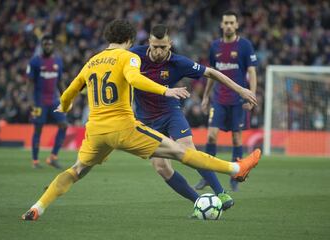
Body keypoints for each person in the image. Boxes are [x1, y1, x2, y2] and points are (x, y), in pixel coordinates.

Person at [21, 19, 261, 221]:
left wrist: (63, 106)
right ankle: (236, 168)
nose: (157, 51)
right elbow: (135, 80)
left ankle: (37, 207)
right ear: (132, 41)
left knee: (76, 170)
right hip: (125, 126)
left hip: (95, 131)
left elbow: (69, 92)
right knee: (179, 153)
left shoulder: (92, 61)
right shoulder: (129, 57)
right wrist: (166, 90)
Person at [130, 24, 249, 210]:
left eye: (163, 47)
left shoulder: (178, 63)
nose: (159, 51)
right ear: (149, 43)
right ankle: (199, 201)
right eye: (155, 47)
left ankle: (221, 193)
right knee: (161, 167)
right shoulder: (134, 56)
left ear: (170, 44)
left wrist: (240, 89)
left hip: (170, 112)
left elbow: (211, 72)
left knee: (189, 150)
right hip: (146, 120)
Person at [194, 11, 258, 191]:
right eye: (226, 23)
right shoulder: (215, 46)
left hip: (238, 101)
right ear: (221, 25)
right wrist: (206, 96)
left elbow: (252, 72)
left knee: (237, 139)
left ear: (237, 25)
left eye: (232, 23)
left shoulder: (245, 45)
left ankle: (236, 176)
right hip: (219, 99)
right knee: (211, 135)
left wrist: (251, 95)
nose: (229, 26)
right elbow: (212, 73)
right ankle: (208, 176)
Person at [26, 35, 67, 169]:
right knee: (38, 129)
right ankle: (35, 161)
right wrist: (30, 101)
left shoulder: (58, 61)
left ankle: (53, 157)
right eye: (45, 44)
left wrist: (66, 98)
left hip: (54, 101)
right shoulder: (35, 62)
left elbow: (60, 82)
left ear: (53, 45)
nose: (48, 46)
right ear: (41, 46)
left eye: (50, 44)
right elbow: (29, 84)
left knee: (63, 125)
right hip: (39, 102)